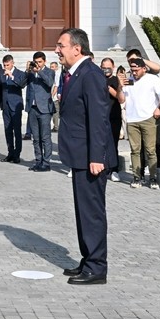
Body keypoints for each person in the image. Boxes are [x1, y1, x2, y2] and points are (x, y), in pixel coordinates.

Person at [55, 28, 114, 285]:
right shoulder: (74, 73)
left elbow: (99, 119)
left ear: (76, 49)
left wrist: (97, 156)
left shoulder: (90, 74)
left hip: (92, 158)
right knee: (83, 211)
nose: (57, 50)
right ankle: (88, 259)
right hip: (80, 155)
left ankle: (97, 267)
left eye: (61, 45)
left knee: (91, 212)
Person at [122, 58, 160, 188]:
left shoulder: (153, 79)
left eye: (136, 70)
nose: (134, 73)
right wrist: (120, 86)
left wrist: (159, 108)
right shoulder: (129, 81)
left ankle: (153, 178)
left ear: (144, 68)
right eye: (132, 70)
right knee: (135, 150)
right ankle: (137, 177)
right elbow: (122, 99)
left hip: (148, 118)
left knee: (150, 150)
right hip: (132, 119)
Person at [25, 52, 55, 171]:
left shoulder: (49, 71)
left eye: (40, 62)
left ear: (44, 61)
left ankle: (46, 163)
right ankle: (38, 161)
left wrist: (39, 71)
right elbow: (21, 84)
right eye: (35, 62)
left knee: (45, 137)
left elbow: (50, 83)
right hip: (32, 108)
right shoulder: (31, 73)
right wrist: (27, 71)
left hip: (44, 109)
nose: (37, 64)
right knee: (36, 138)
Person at [0, 54, 27, 163]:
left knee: (17, 131)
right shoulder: (2, 73)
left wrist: (11, 76)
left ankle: (17, 154)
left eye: (8, 65)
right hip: (5, 106)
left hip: (15, 105)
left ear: (12, 63)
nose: (6, 67)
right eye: (4, 65)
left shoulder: (19, 73)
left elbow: (21, 85)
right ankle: (10, 153)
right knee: (7, 130)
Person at [100, 58, 125, 180]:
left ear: (113, 67)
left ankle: (114, 169)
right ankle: (103, 168)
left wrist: (108, 87)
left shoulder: (115, 80)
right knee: (100, 144)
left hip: (113, 116)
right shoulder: (97, 79)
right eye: (103, 67)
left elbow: (120, 98)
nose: (106, 70)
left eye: (108, 67)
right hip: (100, 116)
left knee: (113, 143)